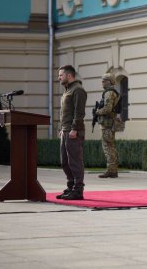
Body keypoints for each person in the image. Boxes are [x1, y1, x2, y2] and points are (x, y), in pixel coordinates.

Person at [56, 65, 87, 200]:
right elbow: (64, 113)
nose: (59, 78)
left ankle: (78, 190)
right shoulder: (67, 90)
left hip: (73, 131)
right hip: (65, 131)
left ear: (69, 75)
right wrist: (60, 129)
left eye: (61, 75)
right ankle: (70, 187)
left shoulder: (78, 90)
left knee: (75, 161)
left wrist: (74, 128)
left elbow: (79, 112)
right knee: (65, 162)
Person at [96, 73, 120, 178]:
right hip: (108, 123)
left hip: (108, 124)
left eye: (104, 80)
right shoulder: (110, 92)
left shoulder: (109, 93)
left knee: (108, 147)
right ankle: (112, 170)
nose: (102, 82)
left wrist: (97, 112)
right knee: (110, 146)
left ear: (109, 81)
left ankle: (111, 171)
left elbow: (107, 109)